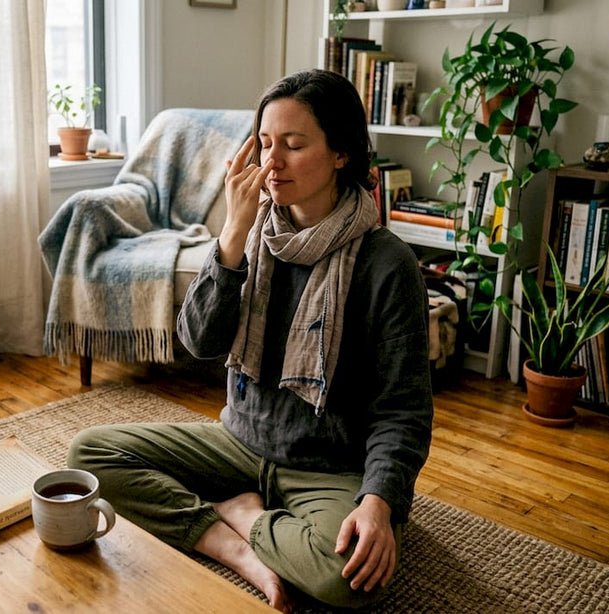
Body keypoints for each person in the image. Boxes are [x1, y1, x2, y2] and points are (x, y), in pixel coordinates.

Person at [67, 69, 433, 611]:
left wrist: (379, 501)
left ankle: (246, 514)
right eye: (264, 144)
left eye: (293, 144)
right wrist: (231, 239)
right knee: (89, 454)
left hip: (328, 465)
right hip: (241, 440)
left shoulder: (388, 264)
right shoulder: (253, 234)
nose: (272, 162)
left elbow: (402, 409)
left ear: (340, 154)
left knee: (348, 580)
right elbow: (199, 341)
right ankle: (227, 537)